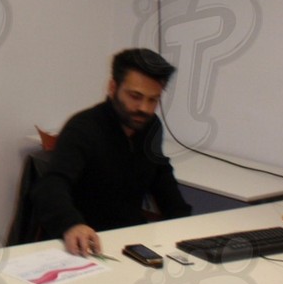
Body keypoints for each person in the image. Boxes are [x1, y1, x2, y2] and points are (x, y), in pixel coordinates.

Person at [30, 48, 192, 256]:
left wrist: (184, 223)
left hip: (129, 240)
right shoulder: (83, 128)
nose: (144, 108)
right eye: (135, 96)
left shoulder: (151, 127)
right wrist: (72, 225)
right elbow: (52, 184)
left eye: (153, 100)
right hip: (83, 243)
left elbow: (161, 176)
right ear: (113, 87)